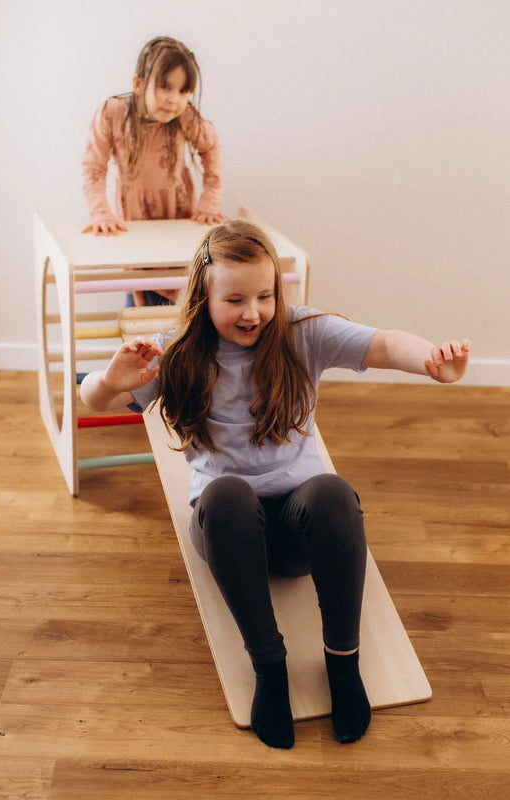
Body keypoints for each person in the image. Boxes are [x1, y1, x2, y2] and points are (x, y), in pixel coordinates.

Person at [80, 219, 471, 750]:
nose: (253, 312)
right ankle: (269, 668)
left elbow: (383, 344)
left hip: (296, 536)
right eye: (235, 299)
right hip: (229, 533)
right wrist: (109, 382)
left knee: (332, 491)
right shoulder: (173, 353)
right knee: (225, 494)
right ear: (204, 296)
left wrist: (430, 361)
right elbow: (93, 401)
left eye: (264, 295)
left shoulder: (301, 331)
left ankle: (343, 664)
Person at [81, 36, 223, 306]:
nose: (174, 100)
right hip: (135, 223)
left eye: (183, 91)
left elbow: (212, 146)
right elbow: (93, 167)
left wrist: (210, 200)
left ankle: (180, 346)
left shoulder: (185, 117)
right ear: (138, 84)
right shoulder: (113, 114)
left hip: (177, 218)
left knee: (185, 296)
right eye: (165, 87)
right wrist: (100, 211)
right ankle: (136, 347)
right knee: (138, 295)